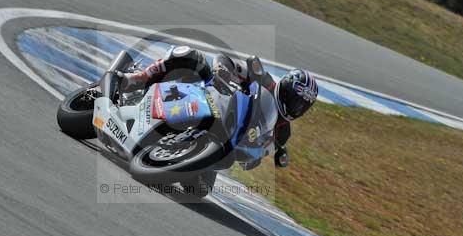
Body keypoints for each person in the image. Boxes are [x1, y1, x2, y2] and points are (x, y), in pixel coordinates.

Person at [119, 46, 318, 168]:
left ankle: (168, 151)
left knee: (198, 190)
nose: (296, 107)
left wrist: (252, 156)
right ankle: (137, 79)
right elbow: (225, 59)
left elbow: (254, 158)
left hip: (222, 141)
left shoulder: (283, 133)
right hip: (209, 98)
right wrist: (223, 72)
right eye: (295, 99)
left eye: (302, 105)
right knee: (189, 54)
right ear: (285, 89)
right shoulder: (263, 80)